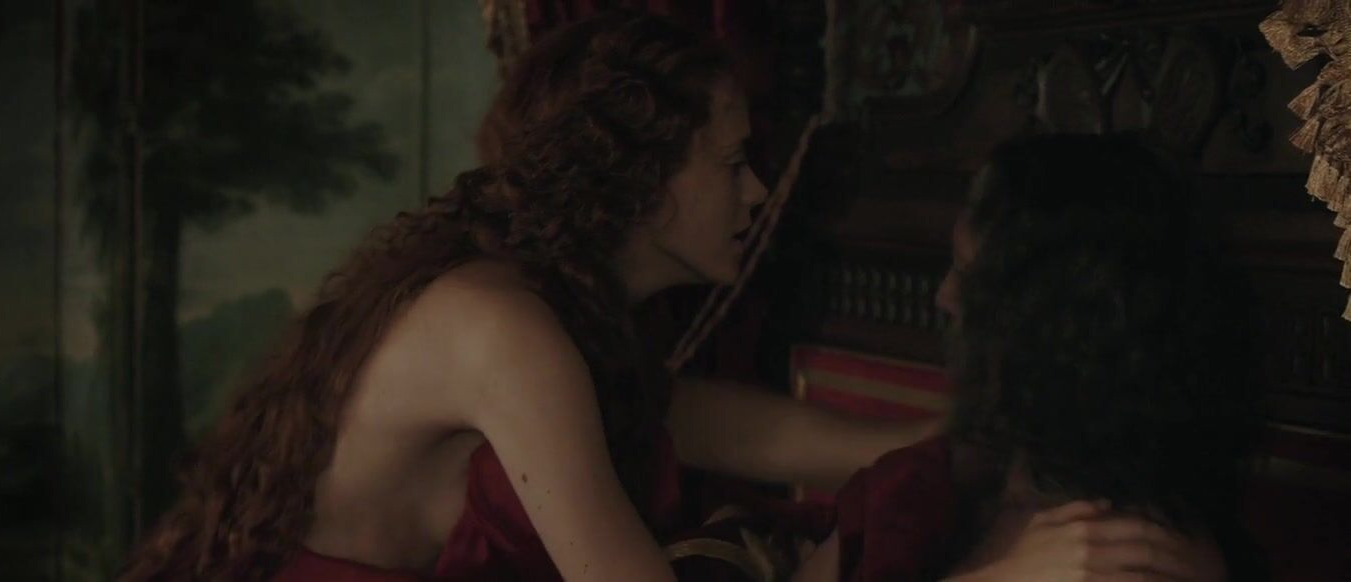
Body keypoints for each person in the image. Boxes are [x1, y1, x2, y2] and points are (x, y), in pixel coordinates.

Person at [118, 11, 933, 582]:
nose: (756, 192)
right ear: (643, 182)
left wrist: (977, 433)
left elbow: (776, 440)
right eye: (730, 164)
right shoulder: (505, 329)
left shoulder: (578, 321)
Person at [793, 134, 1263, 581]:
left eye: (968, 277)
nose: (943, 297)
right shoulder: (913, 488)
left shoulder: (1141, 553)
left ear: (1054, 331)